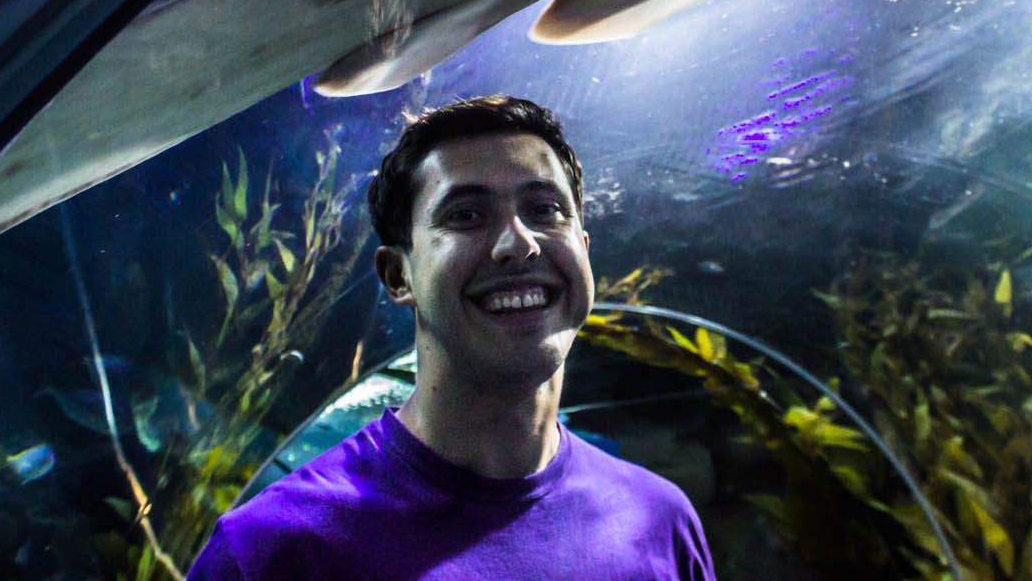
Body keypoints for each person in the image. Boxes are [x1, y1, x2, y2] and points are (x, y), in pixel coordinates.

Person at [186, 95, 716, 580]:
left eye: (544, 209)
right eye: (466, 215)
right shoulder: (270, 551)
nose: (519, 243)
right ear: (398, 275)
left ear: (583, 246)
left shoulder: (662, 523)